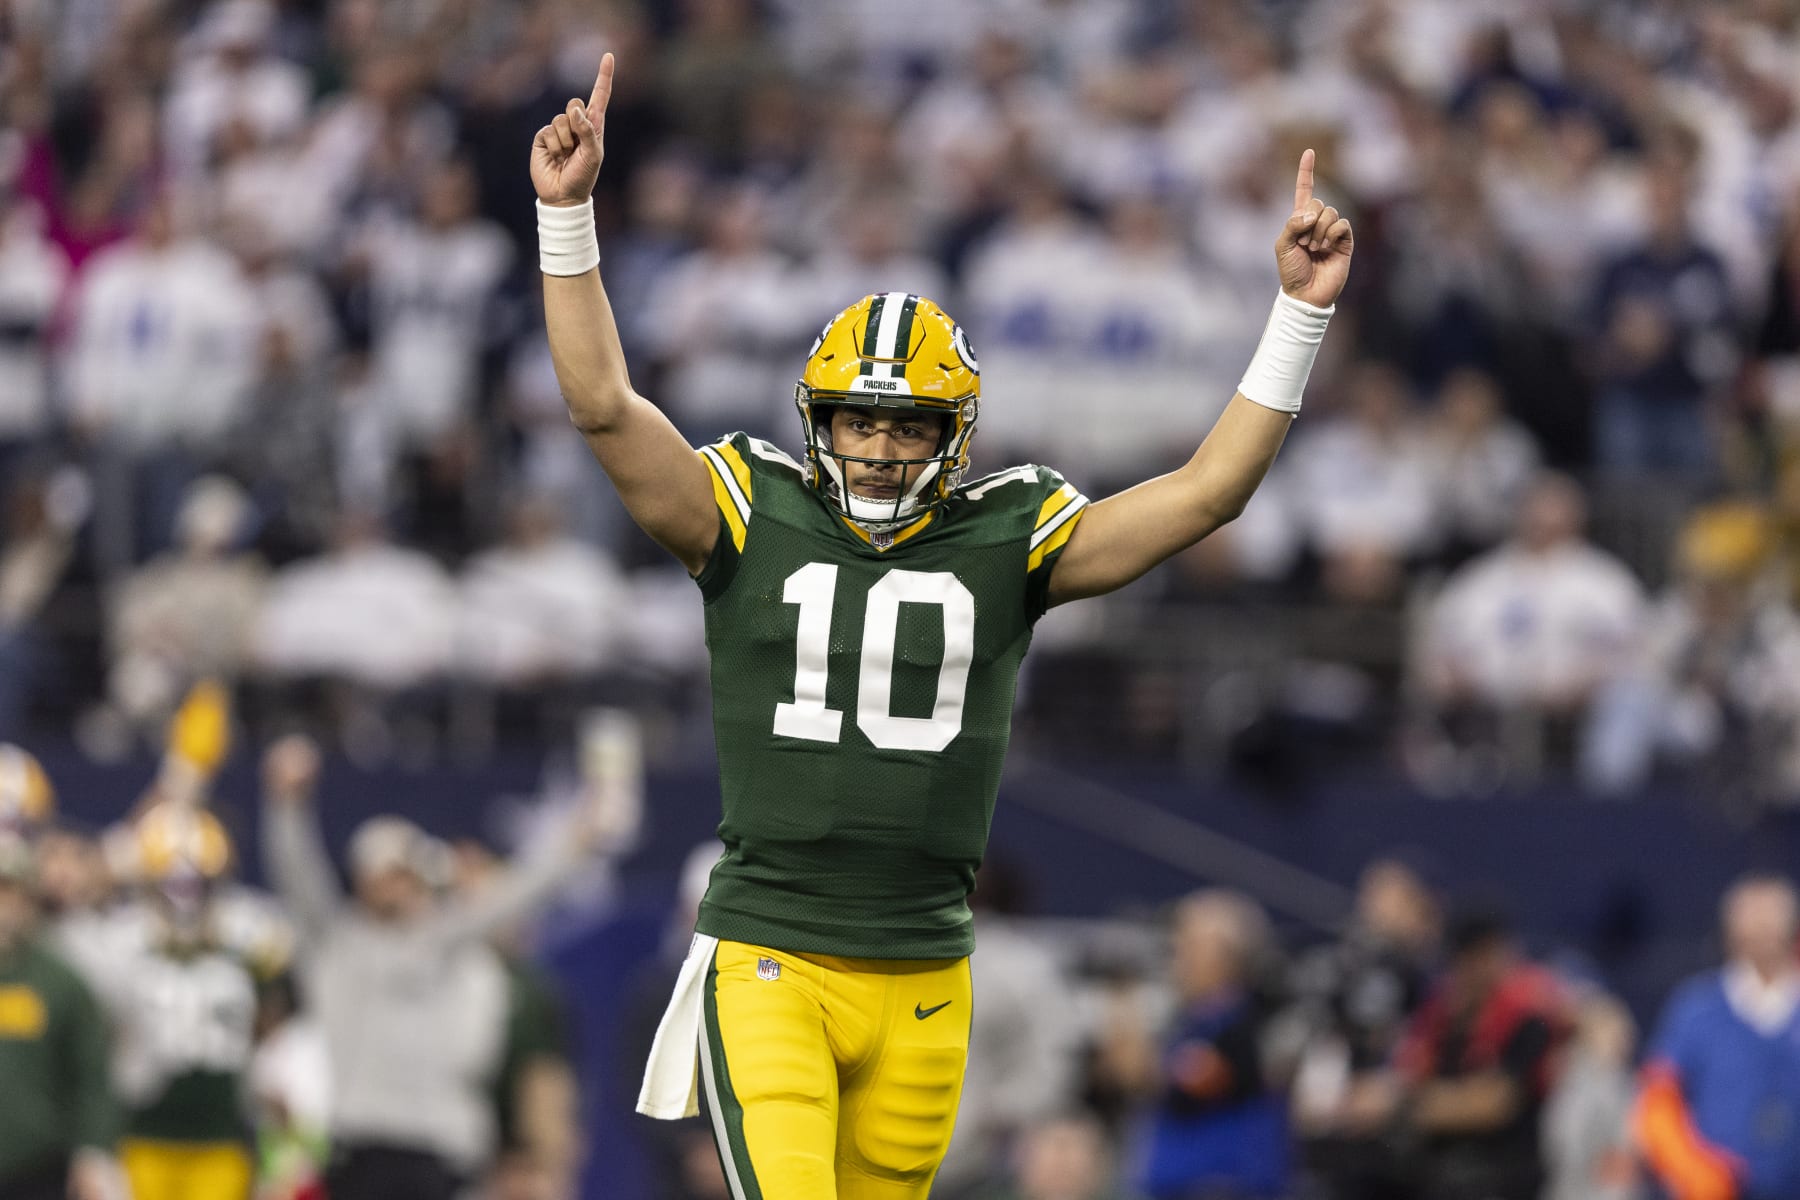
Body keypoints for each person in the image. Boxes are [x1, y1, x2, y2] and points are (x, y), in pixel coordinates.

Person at [533, 52, 1353, 1200]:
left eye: (906, 428)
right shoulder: (746, 507)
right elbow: (602, 405)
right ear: (815, 422)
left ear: (954, 436)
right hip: (771, 953)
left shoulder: (1008, 532)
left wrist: (1296, 318)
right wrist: (565, 219)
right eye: (857, 424)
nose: (875, 450)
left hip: (926, 970)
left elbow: (1206, 493)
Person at [1636, 874, 1800, 1200]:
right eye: (1751, 918)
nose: (1761, 929)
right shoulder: (1696, 1007)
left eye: (1770, 917)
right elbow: (1658, 1097)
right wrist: (1691, 1168)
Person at [0, 832, 124, 1200]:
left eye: (14, 892)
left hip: (40, 1170)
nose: (5, 905)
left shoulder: (61, 982)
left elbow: (91, 1075)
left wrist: (93, 1151)